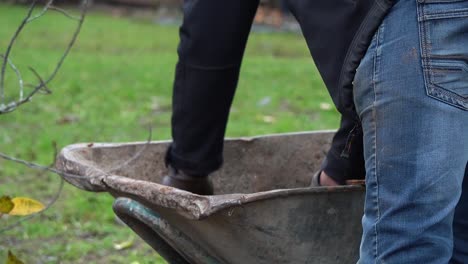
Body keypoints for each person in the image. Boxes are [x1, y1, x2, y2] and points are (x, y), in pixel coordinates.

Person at [161, 0, 468, 263]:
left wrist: (189, 167)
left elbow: (211, 29)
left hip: (423, 22)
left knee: (410, 243)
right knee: (461, 235)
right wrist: (342, 157)